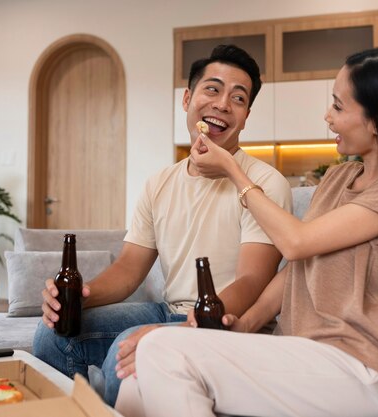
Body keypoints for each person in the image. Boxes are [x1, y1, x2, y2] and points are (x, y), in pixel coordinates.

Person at [114, 47, 378, 417]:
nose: (327, 116)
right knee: (136, 377)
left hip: (364, 367)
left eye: (338, 106)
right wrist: (244, 325)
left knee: (162, 349)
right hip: (307, 353)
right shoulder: (340, 177)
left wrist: (232, 169)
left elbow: (296, 243)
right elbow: (296, 269)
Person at [32, 44, 293, 406]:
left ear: (246, 116)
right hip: (167, 309)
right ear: (187, 99)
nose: (222, 104)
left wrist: (188, 325)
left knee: (123, 356)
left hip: (227, 324)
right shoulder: (160, 183)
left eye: (238, 98)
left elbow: (252, 281)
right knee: (52, 335)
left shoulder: (263, 183)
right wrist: (79, 297)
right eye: (212, 89)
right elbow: (128, 269)